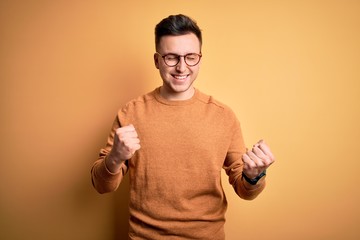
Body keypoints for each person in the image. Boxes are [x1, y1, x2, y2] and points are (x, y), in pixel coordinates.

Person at [91, 14, 275, 240]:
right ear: (157, 60)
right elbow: (101, 185)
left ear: (200, 58)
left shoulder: (223, 116)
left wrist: (254, 176)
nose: (181, 67)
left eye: (190, 57)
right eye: (171, 57)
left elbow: (245, 190)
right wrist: (115, 157)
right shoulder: (131, 113)